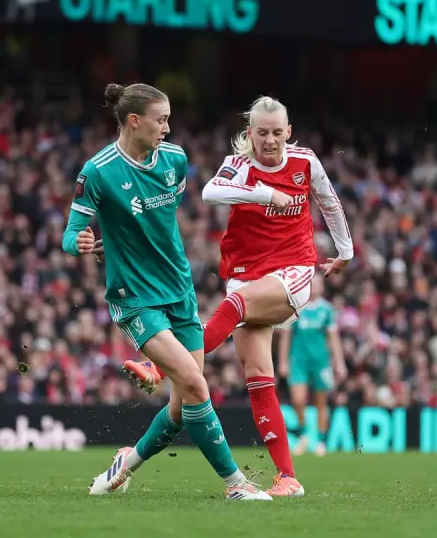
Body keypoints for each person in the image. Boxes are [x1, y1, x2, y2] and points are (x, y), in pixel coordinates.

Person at [123, 96, 354, 497]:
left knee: (234, 306)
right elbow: (212, 192)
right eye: (261, 133)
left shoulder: (305, 162)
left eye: (277, 133)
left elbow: (329, 202)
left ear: (289, 132)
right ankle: (288, 477)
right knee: (259, 380)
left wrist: (345, 251)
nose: (269, 141)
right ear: (250, 133)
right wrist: (265, 195)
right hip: (246, 272)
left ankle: (160, 368)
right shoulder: (238, 165)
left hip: (293, 270)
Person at [62, 83, 271, 501]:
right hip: (136, 296)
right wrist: (83, 243)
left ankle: (125, 464)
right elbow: (70, 235)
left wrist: (123, 241)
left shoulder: (175, 159)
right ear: (134, 121)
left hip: (179, 290)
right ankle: (236, 484)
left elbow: (156, 225)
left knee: (180, 408)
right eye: (161, 120)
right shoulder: (99, 171)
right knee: (195, 384)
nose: (168, 127)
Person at [278, 273, 347, 457]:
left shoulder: (327, 310)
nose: (315, 286)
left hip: (321, 361)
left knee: (321, 403)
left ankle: (321, 442)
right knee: (298, 399)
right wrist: (283, 361)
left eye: (317, 283)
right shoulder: (296, 307)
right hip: (298, 360)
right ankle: (303, 434)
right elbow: (286, 336)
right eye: (312, 283)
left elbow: (334, 338)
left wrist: (339, 363)